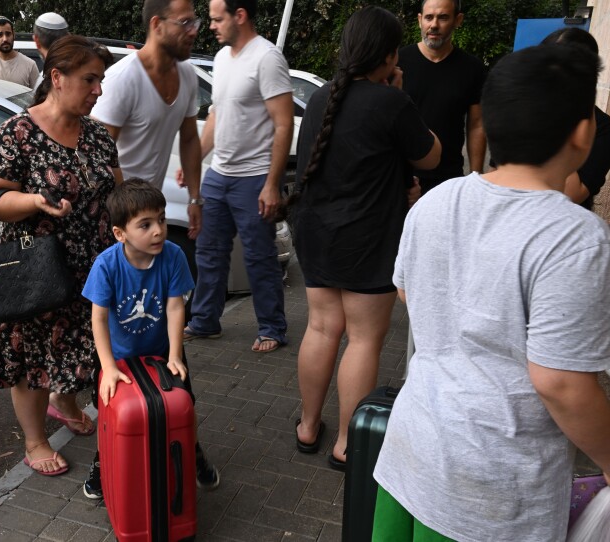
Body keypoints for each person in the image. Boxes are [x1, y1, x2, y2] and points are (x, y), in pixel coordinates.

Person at [372, 43, 610, 541]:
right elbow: (561, 382)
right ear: (583, 130)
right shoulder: (573, 236)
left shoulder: (438, 201)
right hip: (491, 495)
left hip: (411, 453)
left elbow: (408, 292)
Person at [290, 6, 440, 470]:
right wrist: (399, 96)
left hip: (316, 231)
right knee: (363, 339)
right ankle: (347, 445)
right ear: (390, 54)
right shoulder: (391, 102)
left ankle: (308, 426)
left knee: (320, 327)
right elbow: (432, 156)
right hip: (368, 237)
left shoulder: (320, 98)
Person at [0, 36, 120, 476]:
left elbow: (116, 189)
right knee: (32, 356)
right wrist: (36, 202)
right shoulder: (17, 132)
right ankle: (35, 440)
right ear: (57, 78)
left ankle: (66, 401)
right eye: (90, 79)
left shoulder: (96, 135)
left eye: (102, 80)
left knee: (85, 348)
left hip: (91, 267)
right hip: (33, 268)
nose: (99, 90)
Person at [81, 178, 219, 500]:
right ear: (120, 233)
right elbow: (98, 318)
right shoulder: (106, 265)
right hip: (117, 357)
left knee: (184, 406)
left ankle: (192, 453)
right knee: (108, 412)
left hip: (161, 352)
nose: (158, 230)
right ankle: (103, 462)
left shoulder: (173, 256)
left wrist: (174, 354)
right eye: (145, 225)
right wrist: (108, 367)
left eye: (161, 219)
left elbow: (174, 308)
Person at [183, 0, 293, 353]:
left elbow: (283, 123)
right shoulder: (221, 59)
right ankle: (204, 322)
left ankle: (272, 328)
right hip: (219, 174)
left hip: (254, 177)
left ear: (240, 16)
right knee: (209, 252)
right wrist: (195, 160)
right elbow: (216, 115)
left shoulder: (267, 57)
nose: (210, 26)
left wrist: (272, 184)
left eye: (217, 19)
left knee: (259, 256)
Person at [90, 0, 203, 239]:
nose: (193, 30)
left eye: (194, 22)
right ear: (157, 25)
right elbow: (97, 157)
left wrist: (194, 197)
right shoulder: (122, 80)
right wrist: (125, 215)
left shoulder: (188, 76)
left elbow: (190, 138)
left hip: (149, 212)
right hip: (116, 218)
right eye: (184, 22)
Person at [396, 0, 486, 195]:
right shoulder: (398, 63)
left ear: (458, 20)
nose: (434, 25)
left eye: (443, 17)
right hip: (401, 177)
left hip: (449, 180)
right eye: (429, 17)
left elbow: (476, 124)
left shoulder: (472, 68)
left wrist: (476, 179)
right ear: (420, 20)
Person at [541, 27, 610, 210]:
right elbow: (499, 170)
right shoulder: (527, 111)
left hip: (566, 227)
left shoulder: (602, 127)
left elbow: (571, 194)